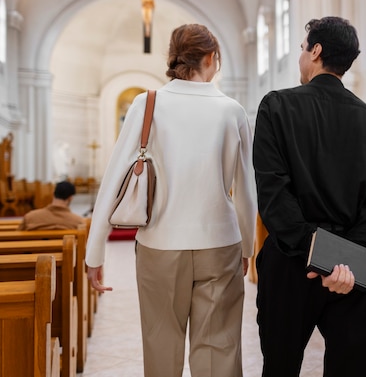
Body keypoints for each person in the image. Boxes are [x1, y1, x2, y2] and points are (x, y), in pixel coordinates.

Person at [85, 23, 257, 377]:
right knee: (219, 350)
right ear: (212, 58)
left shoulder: (146, 104)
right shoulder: (231, 110)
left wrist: (95, 252)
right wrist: (247, 248)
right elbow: (245, 189)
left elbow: (114, 178)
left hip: (159, 245)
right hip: (220, 243)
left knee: (161, 345)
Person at [253, 16, 366, 377]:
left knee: (280, 366)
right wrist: (344, 262)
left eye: (303, 49)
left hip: (292, 264)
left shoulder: (276, 107)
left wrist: (317, 253)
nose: (302, 57)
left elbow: (273, 194)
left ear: (316, 51)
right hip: (352, 270)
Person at [18, 180, 85, 230]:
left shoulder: (30, 217)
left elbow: (17, 238)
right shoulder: (78, 222)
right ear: (70, 198)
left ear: (53, 193)